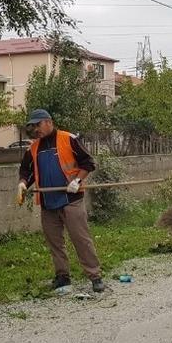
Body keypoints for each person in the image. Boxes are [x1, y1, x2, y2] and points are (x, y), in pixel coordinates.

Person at [17, 109, 105, 293]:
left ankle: (95, 276)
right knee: (55, 243)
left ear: (49, 122)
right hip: (48, 203)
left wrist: (77, 180)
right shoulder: (33, 148)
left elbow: (88, 162)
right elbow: (26, 170)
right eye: (33, 126)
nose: (36, 130)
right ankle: (62, 277)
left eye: (38, 125)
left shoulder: (68, 139)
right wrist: (23, 183)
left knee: (81, 239)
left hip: (71, 199)